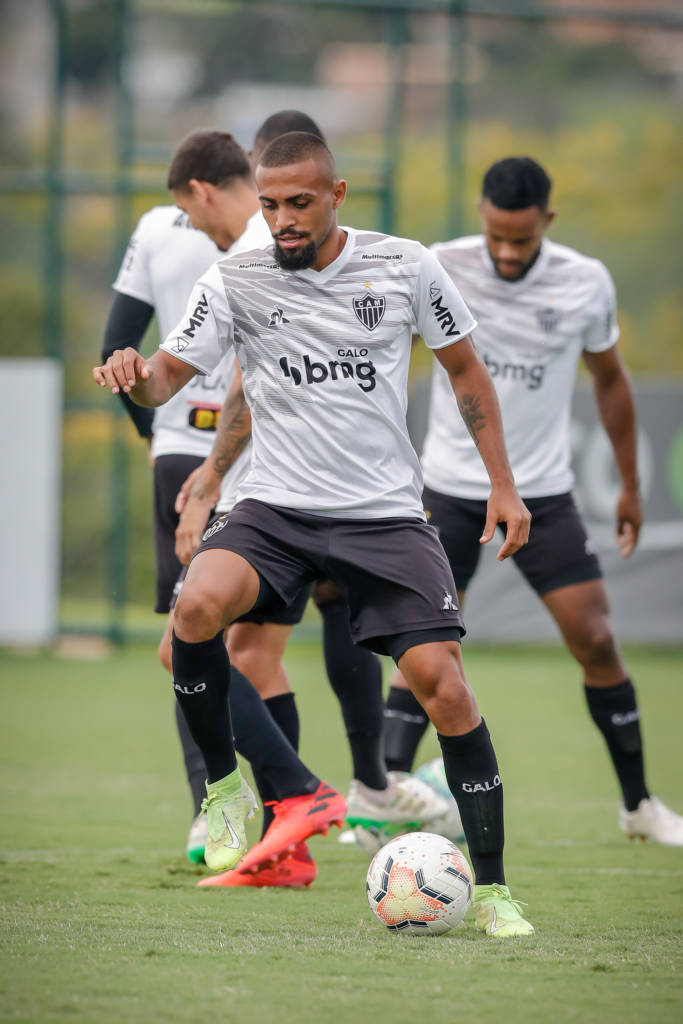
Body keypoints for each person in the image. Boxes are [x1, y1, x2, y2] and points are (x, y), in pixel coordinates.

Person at [94, 132, 536, 937]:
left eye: (299, 203)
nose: (283, 220)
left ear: (336, 195)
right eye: (270, 205)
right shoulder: (234, 279)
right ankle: (225, 793)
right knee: (194, 610)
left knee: (444, 688)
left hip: (383, 516)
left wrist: (502, 484)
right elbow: (166, 376)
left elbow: (465, 369)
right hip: (276, 510)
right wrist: (134, 373)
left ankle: (496, 892)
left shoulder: (404, 266)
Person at [384, 156, 683, 848]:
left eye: (521, 239)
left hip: (542, 494)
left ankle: (638, 805)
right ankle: (380, 797)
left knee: (596, 639)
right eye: (496, 236)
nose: (507, 252)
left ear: (547, 220)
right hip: (448, 491)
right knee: (423, 647)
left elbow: (610, 380)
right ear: (480, 217)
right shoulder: (439, 264)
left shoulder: (585, 281)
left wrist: (630, 486)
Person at [102, 122, 348, 885]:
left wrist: (205, 480)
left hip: (260, 483)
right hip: (296, 479)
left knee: (184, 643)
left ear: (205, 191)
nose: (194, 228)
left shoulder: (258, 252)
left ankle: (276, 795)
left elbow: (244, 383)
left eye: (192, 212)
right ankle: (287, 843)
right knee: (256, 659)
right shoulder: (284, 243)